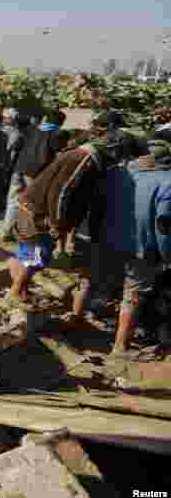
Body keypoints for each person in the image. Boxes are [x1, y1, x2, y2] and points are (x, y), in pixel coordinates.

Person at [68, 149, 171, 357]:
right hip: (142, 247)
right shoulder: (167, 181)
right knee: (132, 294)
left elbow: (97, 207)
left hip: (105, 241)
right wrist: (166, 255)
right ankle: (119, 347)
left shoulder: (118, 173)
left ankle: (73, 322)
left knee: (90, 280)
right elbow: (163, 225)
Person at [6, 141, 106, 308]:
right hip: (39, 213)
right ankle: (16, 292)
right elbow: (60, 191)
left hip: (35, 209)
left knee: (32, 252)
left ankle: (20, 288)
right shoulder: (82, 159)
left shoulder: (78, 155)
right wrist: (56, 221)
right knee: (36, 254)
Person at [1, 109, 65, 238]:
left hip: (20, 167)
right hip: (36, 173)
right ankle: (28, 232)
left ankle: (6, 231)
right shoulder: (58, 134)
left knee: (13, 200)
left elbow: (19, 121)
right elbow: (59, 155)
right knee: (32, 203)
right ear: (61, 122)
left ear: (46, 118)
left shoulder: (34, 129)